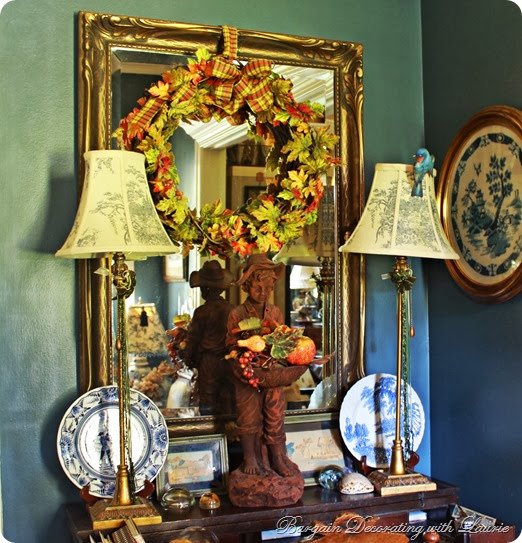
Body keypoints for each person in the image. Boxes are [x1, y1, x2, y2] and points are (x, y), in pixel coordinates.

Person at [226, 253, 294, 477]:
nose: (263, 292)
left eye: (268, 288)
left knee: (275, 411)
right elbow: (230, 345)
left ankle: (277, 456)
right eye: (258, 288)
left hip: (271, 371)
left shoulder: (275, 312)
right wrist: (242, 360)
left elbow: (282, 341)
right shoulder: (237, 313)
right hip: (246, 372)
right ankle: (250, 457)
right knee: (247, 414)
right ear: (246, 286)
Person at [185, 260, 235, 415]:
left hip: (208, 363)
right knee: (228, 401)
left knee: (208, 403)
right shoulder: (232, 310)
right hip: (229, 362)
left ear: (205, 289)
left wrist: (187, 357)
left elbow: (193, 339)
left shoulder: (202, 311)